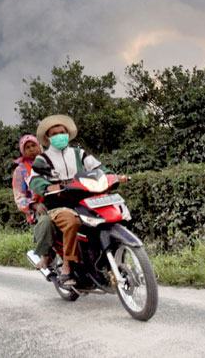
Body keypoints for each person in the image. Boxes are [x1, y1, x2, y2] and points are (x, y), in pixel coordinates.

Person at [28, 114, 128, 286]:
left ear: (68, 134)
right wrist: (47, 187)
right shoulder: (43, 159)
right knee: (71, 221)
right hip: (58, 204)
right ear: (48, 138)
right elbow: (34, 180)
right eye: (55, 133)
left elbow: (98, 168)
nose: (60, 135)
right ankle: (67, 266)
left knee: (113, 214)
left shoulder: (80, 154)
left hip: (86, 199)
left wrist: (112, 176)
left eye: (62, 132)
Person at [11, 134, 55, 269]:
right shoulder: (21, 170)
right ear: (23, 151)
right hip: (40, 206)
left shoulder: (52, 161)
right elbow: (19, 197)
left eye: (33, 145)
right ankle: (45, 255)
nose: (31, 149)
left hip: (61, 198)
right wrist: (34, 205)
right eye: (27, 147)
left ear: (39, 145)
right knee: (46, 221)